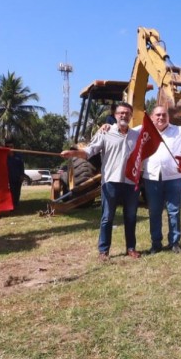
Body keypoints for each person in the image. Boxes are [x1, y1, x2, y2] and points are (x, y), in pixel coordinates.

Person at [61, 102, 141, 260]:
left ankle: (131, 248)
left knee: (131, 217)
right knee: (107, 217)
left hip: (131, 182)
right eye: (121, 113)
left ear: (131, 116)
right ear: (115, 115)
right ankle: (103, 251)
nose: (124, 115)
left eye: (127, 113)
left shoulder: (137, 136)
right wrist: (73, 153)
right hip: (110, 181)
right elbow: (89, 151)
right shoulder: (105, 132)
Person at [141, 106, 181, 254]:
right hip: (151, 177)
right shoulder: (144, 129)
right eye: (157, 115)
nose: (161, 118)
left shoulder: (179, 131)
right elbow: (126, 132)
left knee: (174, 211)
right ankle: (156, 243)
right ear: (152, 117)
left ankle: (174, 242)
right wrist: (109, 125)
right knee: (154, 211)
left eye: (164, 115)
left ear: (168, 117)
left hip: (173, 177)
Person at [5, 139, 25, 209]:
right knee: (11, 192)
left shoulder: (18, 155)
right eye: (8, 146)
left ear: (13, 147)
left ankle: (16, 204)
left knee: (17, 191)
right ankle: (11, 205)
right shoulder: (4, 156)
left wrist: (22, 175)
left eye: (11, 146)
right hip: (8, 178)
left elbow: (22, 166)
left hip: (18, 177)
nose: (10, 148)